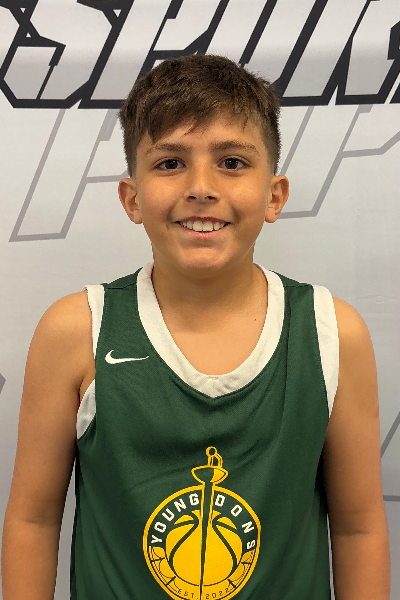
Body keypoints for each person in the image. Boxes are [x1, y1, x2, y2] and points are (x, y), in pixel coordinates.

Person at [1, 54, 390, 600]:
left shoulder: (332, 332)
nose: (201, 187)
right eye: (169, 163)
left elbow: (358, 528)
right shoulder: (76, 331)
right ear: (132, 198)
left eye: (232, 162)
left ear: (274, 195)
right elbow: (34, 520)